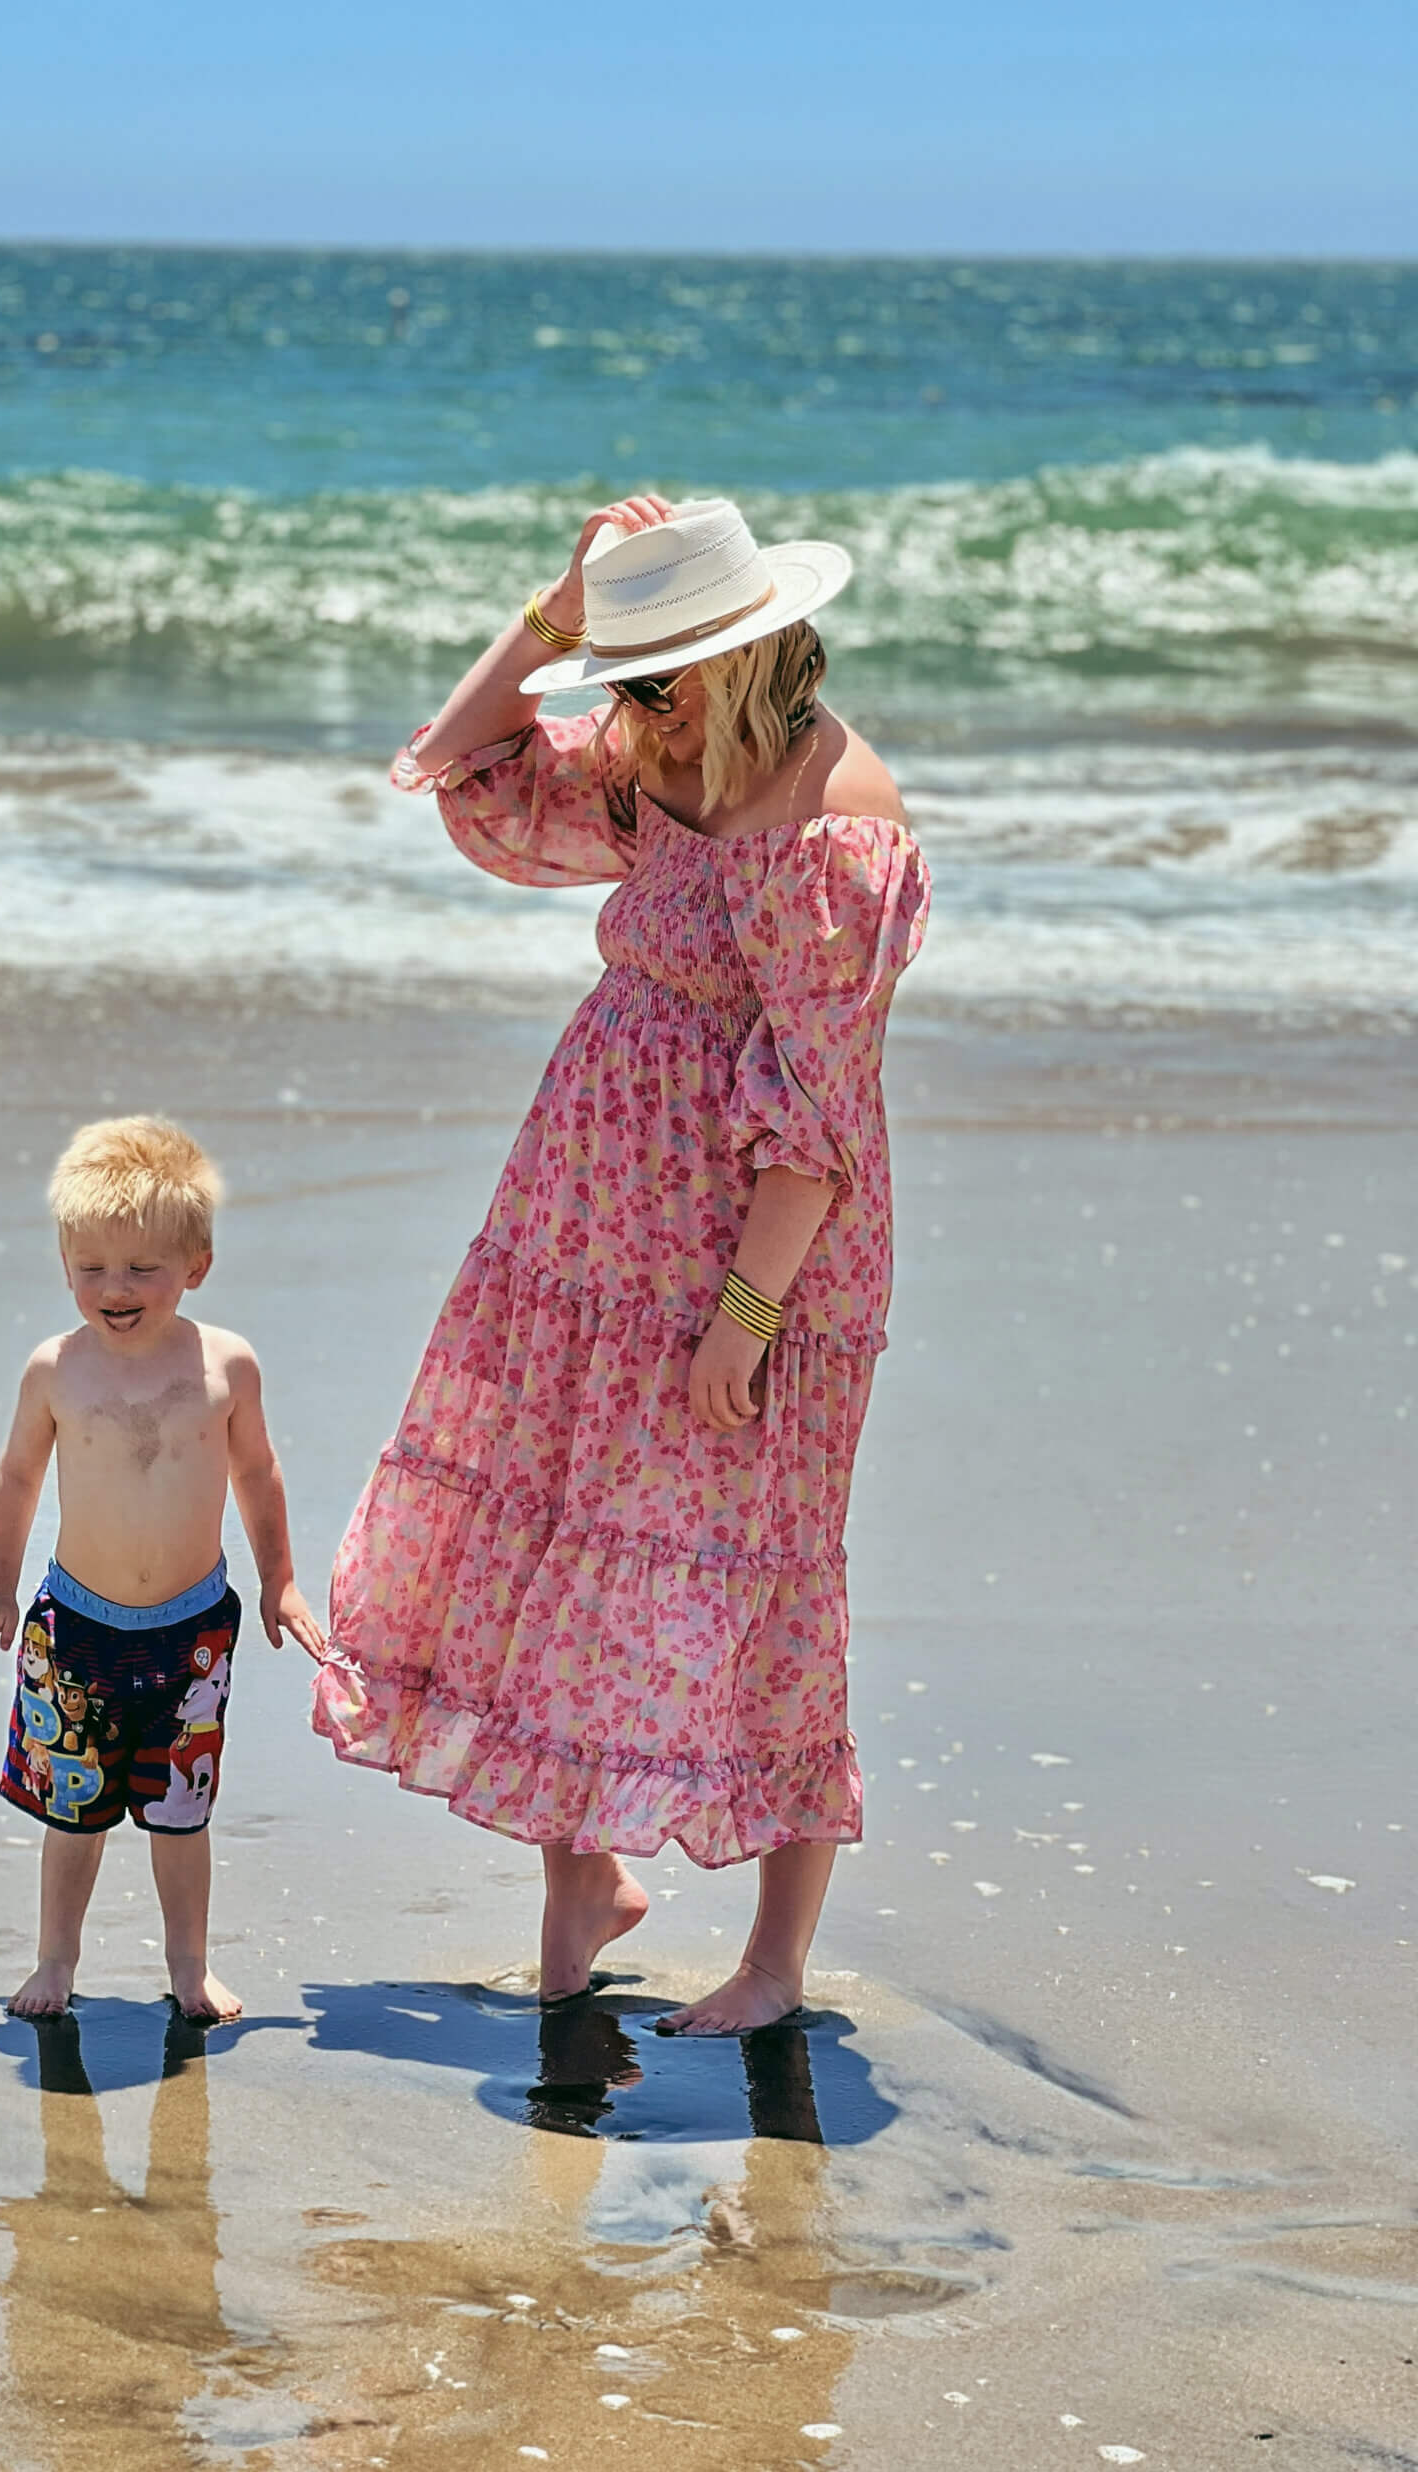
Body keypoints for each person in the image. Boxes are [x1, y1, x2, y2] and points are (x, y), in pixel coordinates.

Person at [312, 495, 930, 2036]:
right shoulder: (655, 753)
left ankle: (778, 1957)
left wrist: (746, 1313)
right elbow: (460, 762)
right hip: (587, 1220)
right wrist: (557, 613)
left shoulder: (834, 818)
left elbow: (817, 1116)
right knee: (553, 1538)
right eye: (623, 675)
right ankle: (580, 1890)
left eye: (658, 678)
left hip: (754, 1248)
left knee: (772, 1572)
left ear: (751, 650)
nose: (625, 710)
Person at [0, 1114, 325, 2022]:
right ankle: (55, 1962)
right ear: (66, 1265)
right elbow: (15, 1479)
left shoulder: (225, 1364)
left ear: (195, 1264)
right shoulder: (56, 1370)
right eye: (92, 1269)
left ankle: (189, 1967)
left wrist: (280, 1580)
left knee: (180, 1810)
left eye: (141, 1268)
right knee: (71, 1817)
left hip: (193, 1630)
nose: (114, 1289)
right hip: (75, 1627)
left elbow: (257, 1473)